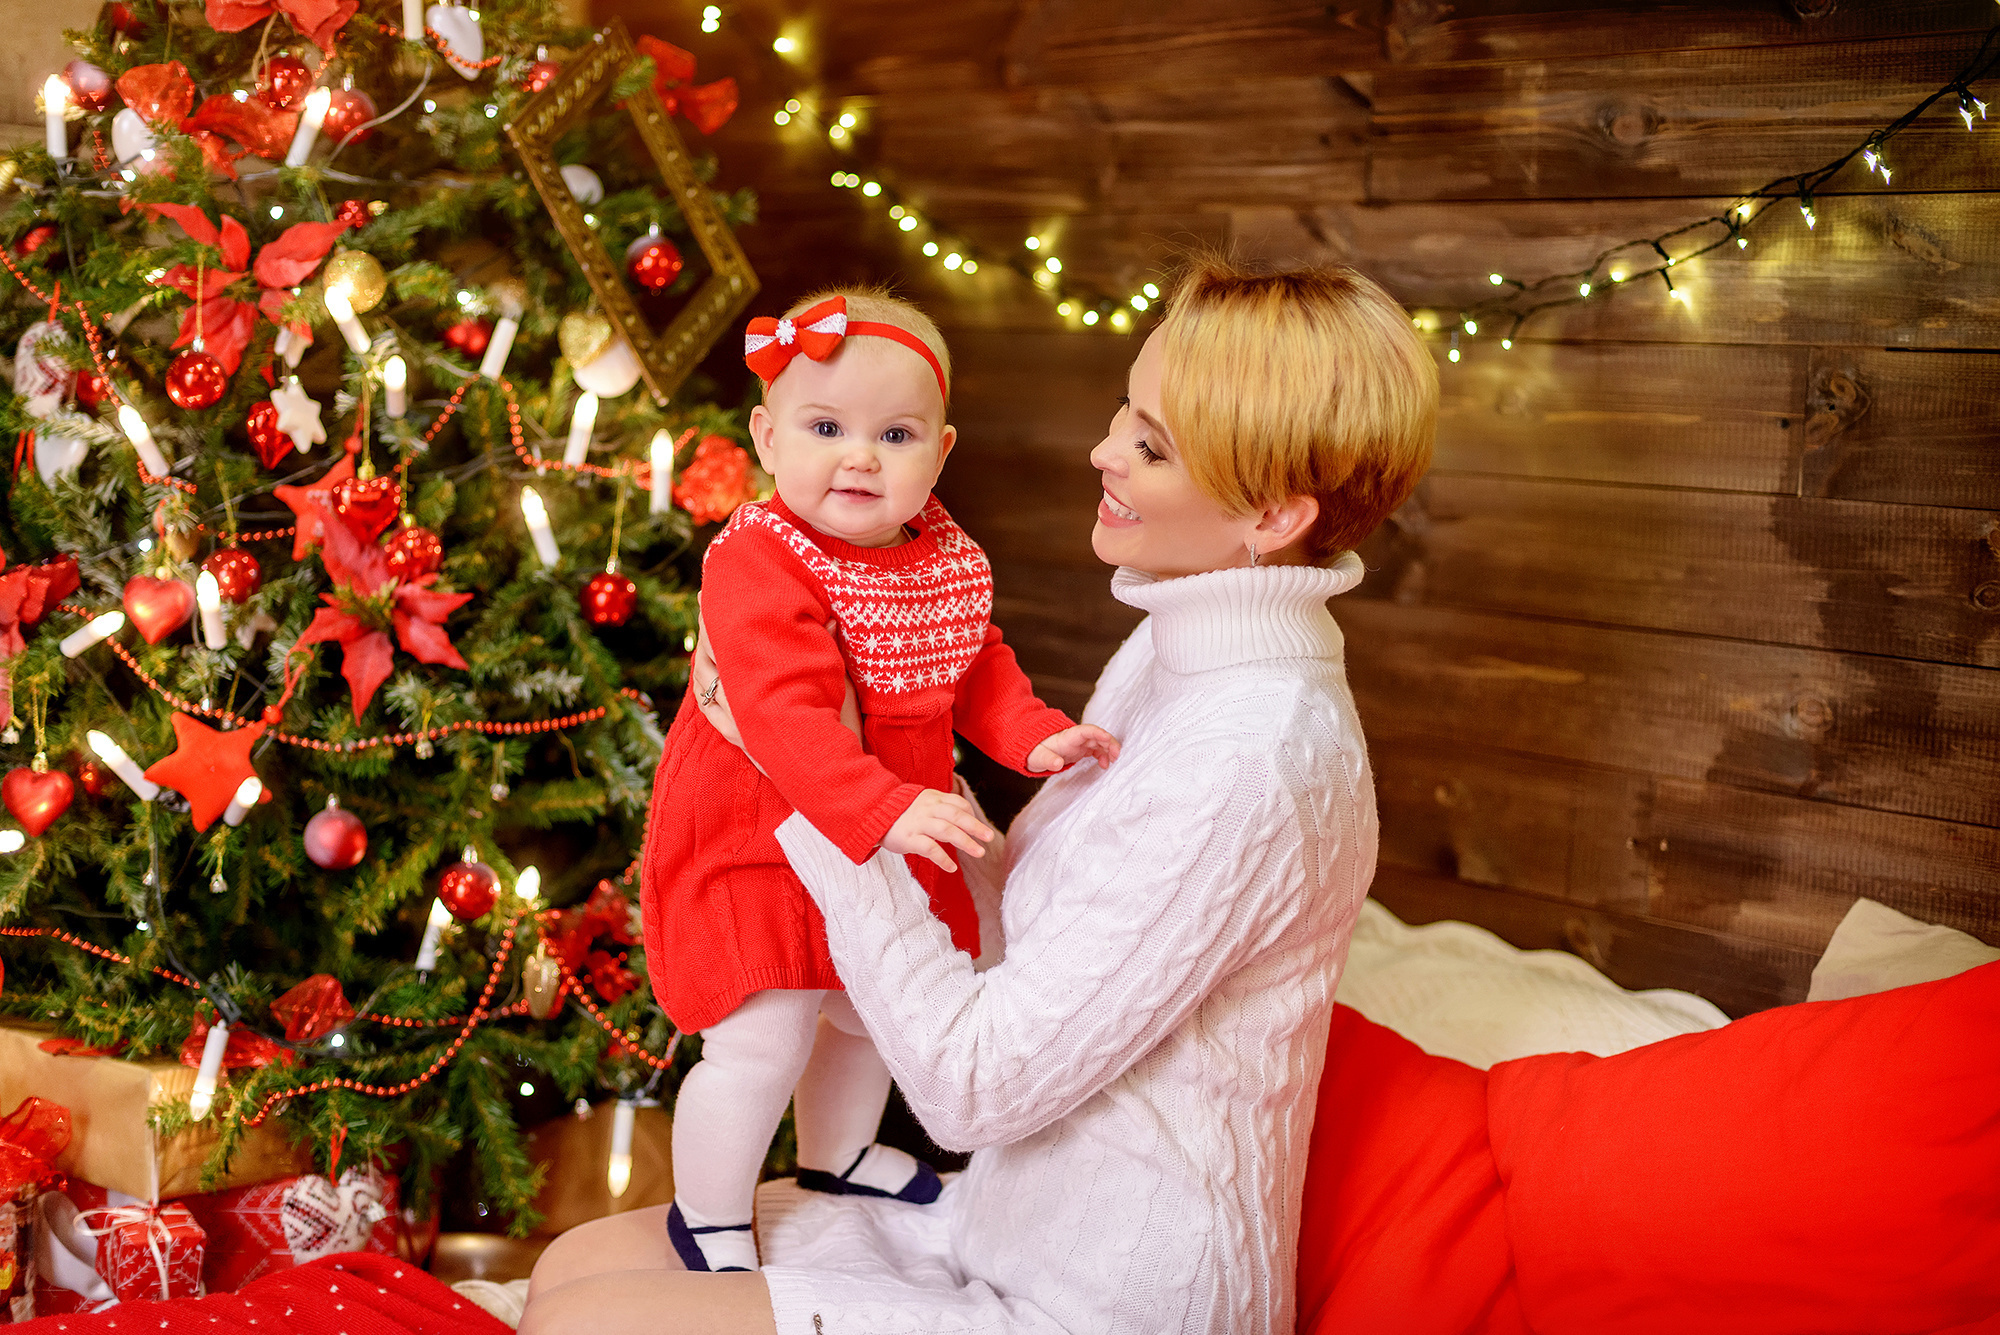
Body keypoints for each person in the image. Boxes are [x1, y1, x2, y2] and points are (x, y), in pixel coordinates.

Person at [524, 255, 1438, 1335]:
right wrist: (922, 796)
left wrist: (843, 807)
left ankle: (830, 1165)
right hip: (1010, 1218)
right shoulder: (1173, 645)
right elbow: (1080, 925)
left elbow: (971, 1091)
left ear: (1273, 516)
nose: (1101, 451)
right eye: (1121, 413)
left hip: (1108, 1289)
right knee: (572, 1264)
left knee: (594, 1323)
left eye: (1147, 446)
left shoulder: (1252, 758)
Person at [639, 288, 1120, 1273]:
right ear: (767, 440)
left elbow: (975, 666)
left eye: (892, 434)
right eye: (825, 428)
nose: (858, 456)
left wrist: (1033, 739)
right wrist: (884, 806)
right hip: (761, 827)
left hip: (887, 820)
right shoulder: (759, 561)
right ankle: (709, 1211)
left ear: (938, 454)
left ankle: (838, 1152)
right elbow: (786, 716)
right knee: (763, 1032)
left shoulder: (938, 556)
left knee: (871, 1007)